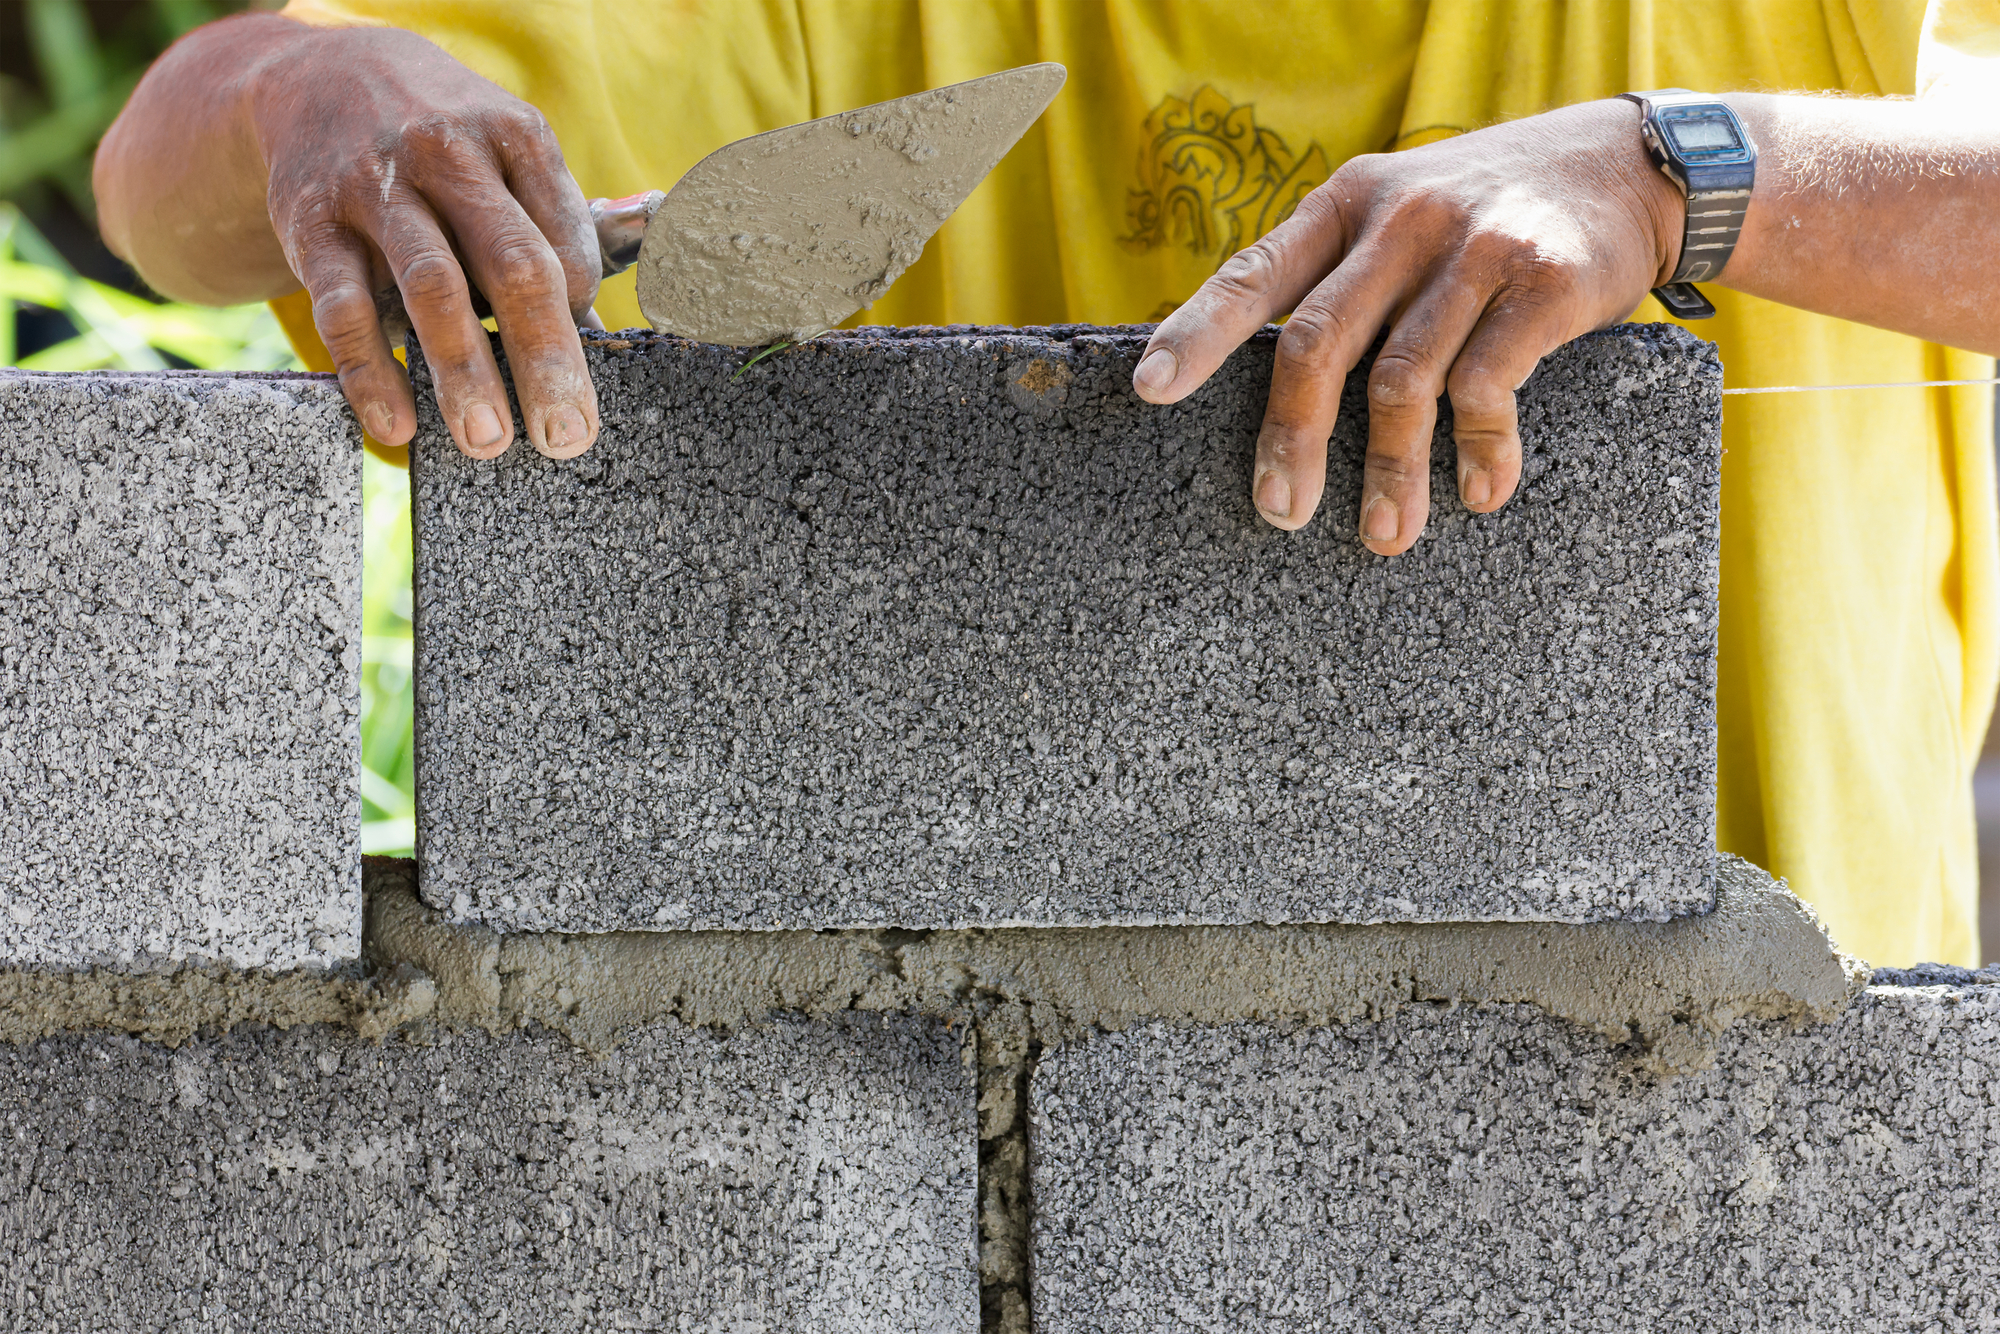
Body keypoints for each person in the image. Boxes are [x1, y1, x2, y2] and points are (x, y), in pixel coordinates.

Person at [94, 0, 2000, 966]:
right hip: (1022, 1129)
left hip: (1745, 1101)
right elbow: (160, 182)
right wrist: (311, 97)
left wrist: (1691, 169)